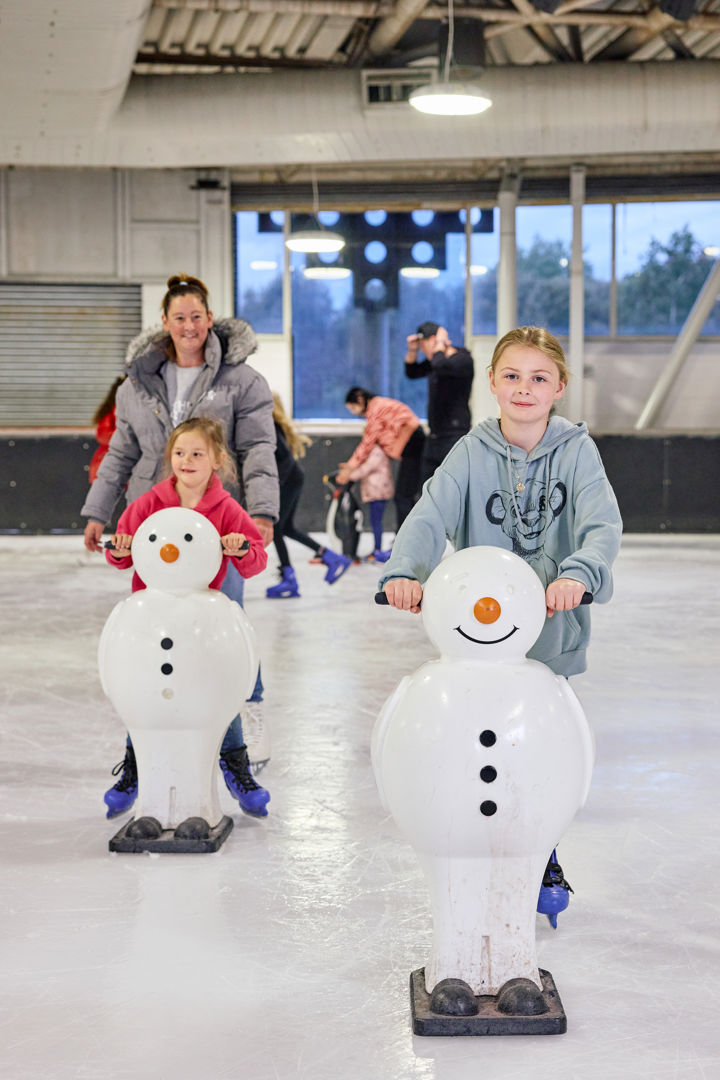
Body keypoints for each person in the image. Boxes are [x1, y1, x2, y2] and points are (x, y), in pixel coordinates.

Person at [81, 272, 279, 780]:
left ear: (210, 319)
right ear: (164, 323)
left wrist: (261, 511)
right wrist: (98, 511)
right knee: (153, 628)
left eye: (196, 317)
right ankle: (152, 736)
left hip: (216, 525)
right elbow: (120, 452)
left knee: (226, 623)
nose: (189, 326)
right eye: (179, 318)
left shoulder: (242, 381)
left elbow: (258, 448)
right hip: (154, 525)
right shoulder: (137, 383)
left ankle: (244, 719)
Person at [380, 325, 623, 677]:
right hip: (478, 636)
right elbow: (427, 517)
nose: (524, 388)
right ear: (492, 381)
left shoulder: (577, 450)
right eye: (512, 376)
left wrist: (579, 575)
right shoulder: (469, 451)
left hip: (552, 638)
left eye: (539, 378)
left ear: (559, 387)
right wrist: (405, 572)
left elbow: (601, 524)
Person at [104, 418, 271, 818]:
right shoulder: (149, 503)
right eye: (180, 453)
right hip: (153, 623)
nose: (187, 460)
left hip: (201, 626)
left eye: (197, 453)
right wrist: (120, 547)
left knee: (216, 690)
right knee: (144, 692)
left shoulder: (227, 509)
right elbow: (121, 552)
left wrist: (240, 547)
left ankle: (235, 764)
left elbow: (256, 559)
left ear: (217, 460)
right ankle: (134, 767)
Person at [266, 394, 350, 599]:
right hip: (292, 478)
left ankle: (289, 577)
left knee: (276, 528)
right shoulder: (272, 425)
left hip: (289, 479)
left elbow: (285, 459)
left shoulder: (270, 425)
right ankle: (330, 557)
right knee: (286, 528)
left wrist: (274, 487)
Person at [336, 387, 425, 532]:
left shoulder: (376, 409)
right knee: (405, 495)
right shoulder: (380, 406)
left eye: (353, 408)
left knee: (403, 496)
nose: (354, 413)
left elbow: (368, 442)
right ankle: (406, 535)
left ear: (360, 399)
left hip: (413, 444)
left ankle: (406, 537)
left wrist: (350, 468)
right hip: (412, 445)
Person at [405, 321, 474, 485]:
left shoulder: (462, 359)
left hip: (454, 435)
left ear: (433, 340)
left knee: (452, 486)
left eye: (423, 345)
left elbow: (440, 365)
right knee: (426, 487)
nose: (422, 350)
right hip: (435, 435)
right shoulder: (436, 361)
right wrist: (412, 350)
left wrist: (441, 342)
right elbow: (412, 372)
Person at [348, 445, 394, 562]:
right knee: (375, 522)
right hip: (377, 491)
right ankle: (376, 549)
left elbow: (366, 468)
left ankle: (377, 550)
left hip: (378, 492)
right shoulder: (374, 451)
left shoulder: (377, 452)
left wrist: (348, 476)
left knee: (376, 522)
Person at [88, 376, 125, 483]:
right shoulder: (112, 411)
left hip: (112, 467)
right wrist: (125, 438)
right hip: (108, 466)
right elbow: (102, 434)